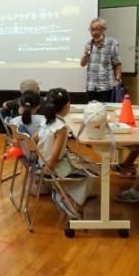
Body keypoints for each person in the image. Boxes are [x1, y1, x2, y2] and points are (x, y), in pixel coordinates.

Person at [39, 88, 95, 219]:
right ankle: (65, 196)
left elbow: (35, 138)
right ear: (68, 106)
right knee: (91, 172)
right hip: (51, 165)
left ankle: (62, 191)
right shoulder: (61, 128)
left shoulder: (46, 120)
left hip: (41, 160)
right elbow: (54, 155)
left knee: (84, 163)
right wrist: (49, 171)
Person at [80, 18, 122, 102]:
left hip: (106, 86)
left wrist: (117, 79)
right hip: (91, 86)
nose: (93, 32)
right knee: (92, 111)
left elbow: (117, 64)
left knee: (105, 112)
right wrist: (86, 55)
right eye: (91, 29)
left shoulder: (112, 43)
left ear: (103, 30)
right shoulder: (89, 44)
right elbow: (82, 64)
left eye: (96, 29)